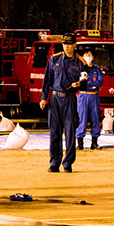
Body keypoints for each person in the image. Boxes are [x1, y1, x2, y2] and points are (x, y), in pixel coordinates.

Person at [40, 32, 85, 173]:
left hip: (70, 99)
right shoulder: (54, 60)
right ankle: (54, 163)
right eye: (65, 44)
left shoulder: (81, 63)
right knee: (54, 132)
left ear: (75, 45)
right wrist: (43, 97)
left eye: (69, 44)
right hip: (54, 100)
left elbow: (85, 83)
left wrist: (80, 86)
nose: (67, 46)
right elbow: (47, 80)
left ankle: (68, 164)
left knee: (70, 133)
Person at [76, 48, 104, 150]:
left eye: (90, 54)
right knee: (81, 118)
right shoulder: (79, 69)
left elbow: (100, 82)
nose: (88, 57)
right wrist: (91, 85)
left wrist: (88, 83)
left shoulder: (97, 69)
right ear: (82, 57)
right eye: (86, 54)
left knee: (95, 118)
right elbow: (77, 82)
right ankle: (80, 144)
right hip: (83, 96)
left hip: (94, 96)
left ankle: (94, 143)